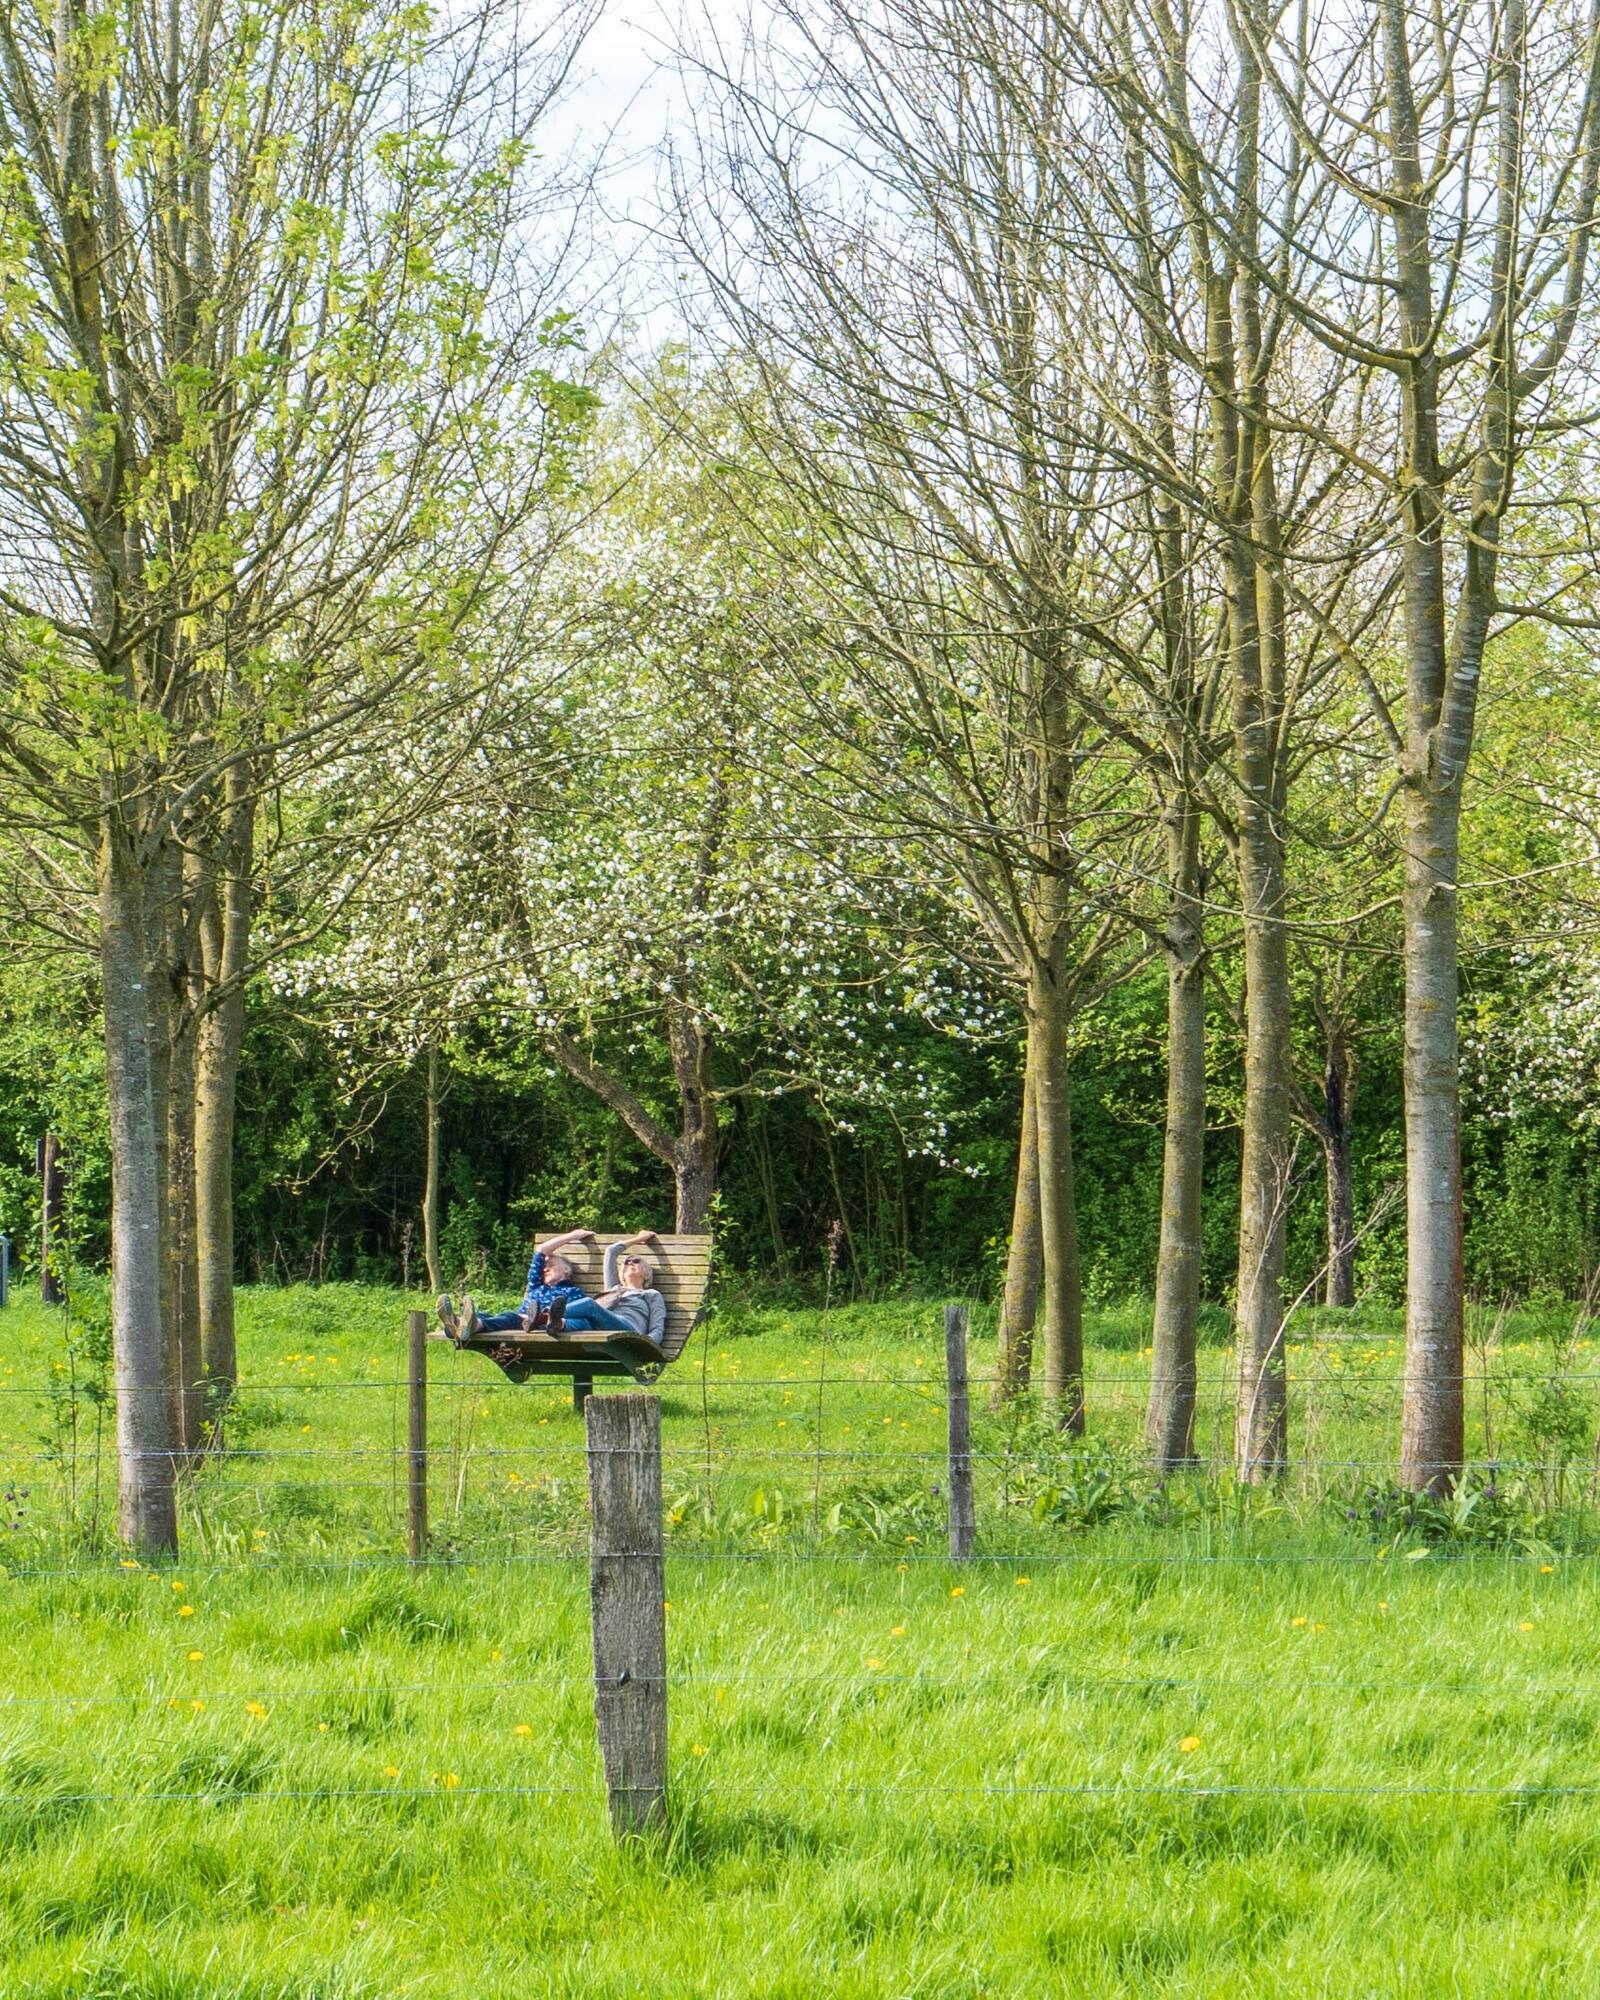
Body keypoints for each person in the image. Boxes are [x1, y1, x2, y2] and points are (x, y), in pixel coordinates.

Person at [437, 1227, 594, 1344]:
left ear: (567, 1270)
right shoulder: (536, 1285)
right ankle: (456, 1324)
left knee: (508, 1318)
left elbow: (575, 1316)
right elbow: (541, 1250)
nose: (545, 1268)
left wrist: (543, 1317)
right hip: (517, 1320)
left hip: (537, 1325)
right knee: (488, 1315)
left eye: (551, 1265)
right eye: (544, 1266)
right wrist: (572, 1235)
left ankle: (471, 1325)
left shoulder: (572, 1292)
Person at [558, 1234, 668, 1344]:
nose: (629, 1263)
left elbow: (657, 1328)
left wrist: (647, 1344)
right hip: (602, 1327)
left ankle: (546, 1314)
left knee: (589, 1304)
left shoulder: (651, 1294)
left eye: (636, 1261)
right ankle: (555, 1323)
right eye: (625, 1262)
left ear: (646, 1273)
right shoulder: (613, 1289)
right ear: (620, 1274)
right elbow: (610, 1251)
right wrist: (638, 1239)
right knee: (582, 1322)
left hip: (630, 1331)